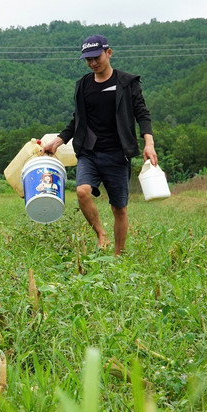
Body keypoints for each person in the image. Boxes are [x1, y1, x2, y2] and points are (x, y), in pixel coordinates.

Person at [41, 34, 157, 255]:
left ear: (108, 53)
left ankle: (118, 254)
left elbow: (142, 114)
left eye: (97, 57)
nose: (93, 63)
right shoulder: (83, 85)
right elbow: (78, 120)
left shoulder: (127, 83)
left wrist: (148, 143)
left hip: (117, 153)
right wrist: (57, 141)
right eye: (88, 60)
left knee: (119, 208)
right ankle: (101, 234)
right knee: (82, 191)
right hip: (90, 152)